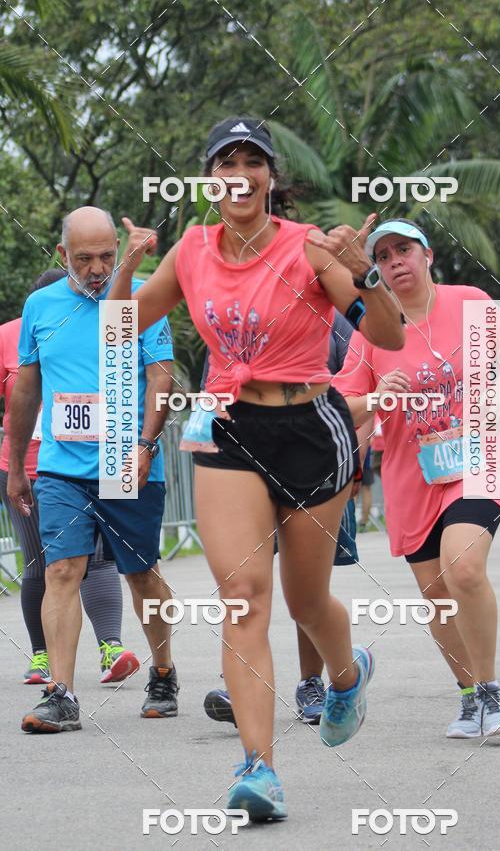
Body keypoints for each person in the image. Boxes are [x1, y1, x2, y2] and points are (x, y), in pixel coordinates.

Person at [107, 116, 404, 821]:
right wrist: (126, 263)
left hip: (309, 427)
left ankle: (344, 674)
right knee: (242, 595)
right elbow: (120, 327)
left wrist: (361, 269)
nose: (240, 173)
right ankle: (259, 769)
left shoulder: (310, 248)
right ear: (211, 180)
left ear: (270, 178)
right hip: (230, 428)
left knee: (306, 603)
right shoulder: (193, 250)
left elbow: (389, 333)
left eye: (253, 161)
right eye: (226, 162)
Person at [333, 218, 500, 740]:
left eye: (404, 250)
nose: (395, 261)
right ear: (375, 270)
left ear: (428, 256)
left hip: (477, 457)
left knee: (463, 568)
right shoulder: (372, 332)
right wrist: (378, 397)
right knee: (438, 595)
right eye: (383, 256)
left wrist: (494, 395)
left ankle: (491, 692)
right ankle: (469, 698)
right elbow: (341, 406)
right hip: (409, 474)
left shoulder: (468, 302)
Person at [8, 207, 177, 733]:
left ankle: (164, 671)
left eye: (108, 256)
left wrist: (147, 443)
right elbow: (27, 388)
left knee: (140, 573)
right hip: (61, 467)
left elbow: (161, 377)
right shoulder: (41, 306)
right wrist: (16, 465)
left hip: (128, 459)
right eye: (84, 259)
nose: (98, 268)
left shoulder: (141, 296)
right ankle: (61, 694)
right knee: (61, 570)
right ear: (63, 256)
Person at [202, 310, 361, 727]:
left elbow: (357, 392)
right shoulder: (222, 307)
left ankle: (315, 682)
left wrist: (357, 465)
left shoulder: (329, 310)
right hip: (241, 457)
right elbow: (212, 390)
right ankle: (244, 684)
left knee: (305, 595)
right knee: (242, 589)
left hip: (315, 457)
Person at [0, 269, 139, 685]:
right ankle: (43, 656)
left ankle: (110, 647)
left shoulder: (107, 321)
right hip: (25, 465)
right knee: (42, 563)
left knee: (95, 558)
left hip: (95, 462)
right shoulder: (10, 334)